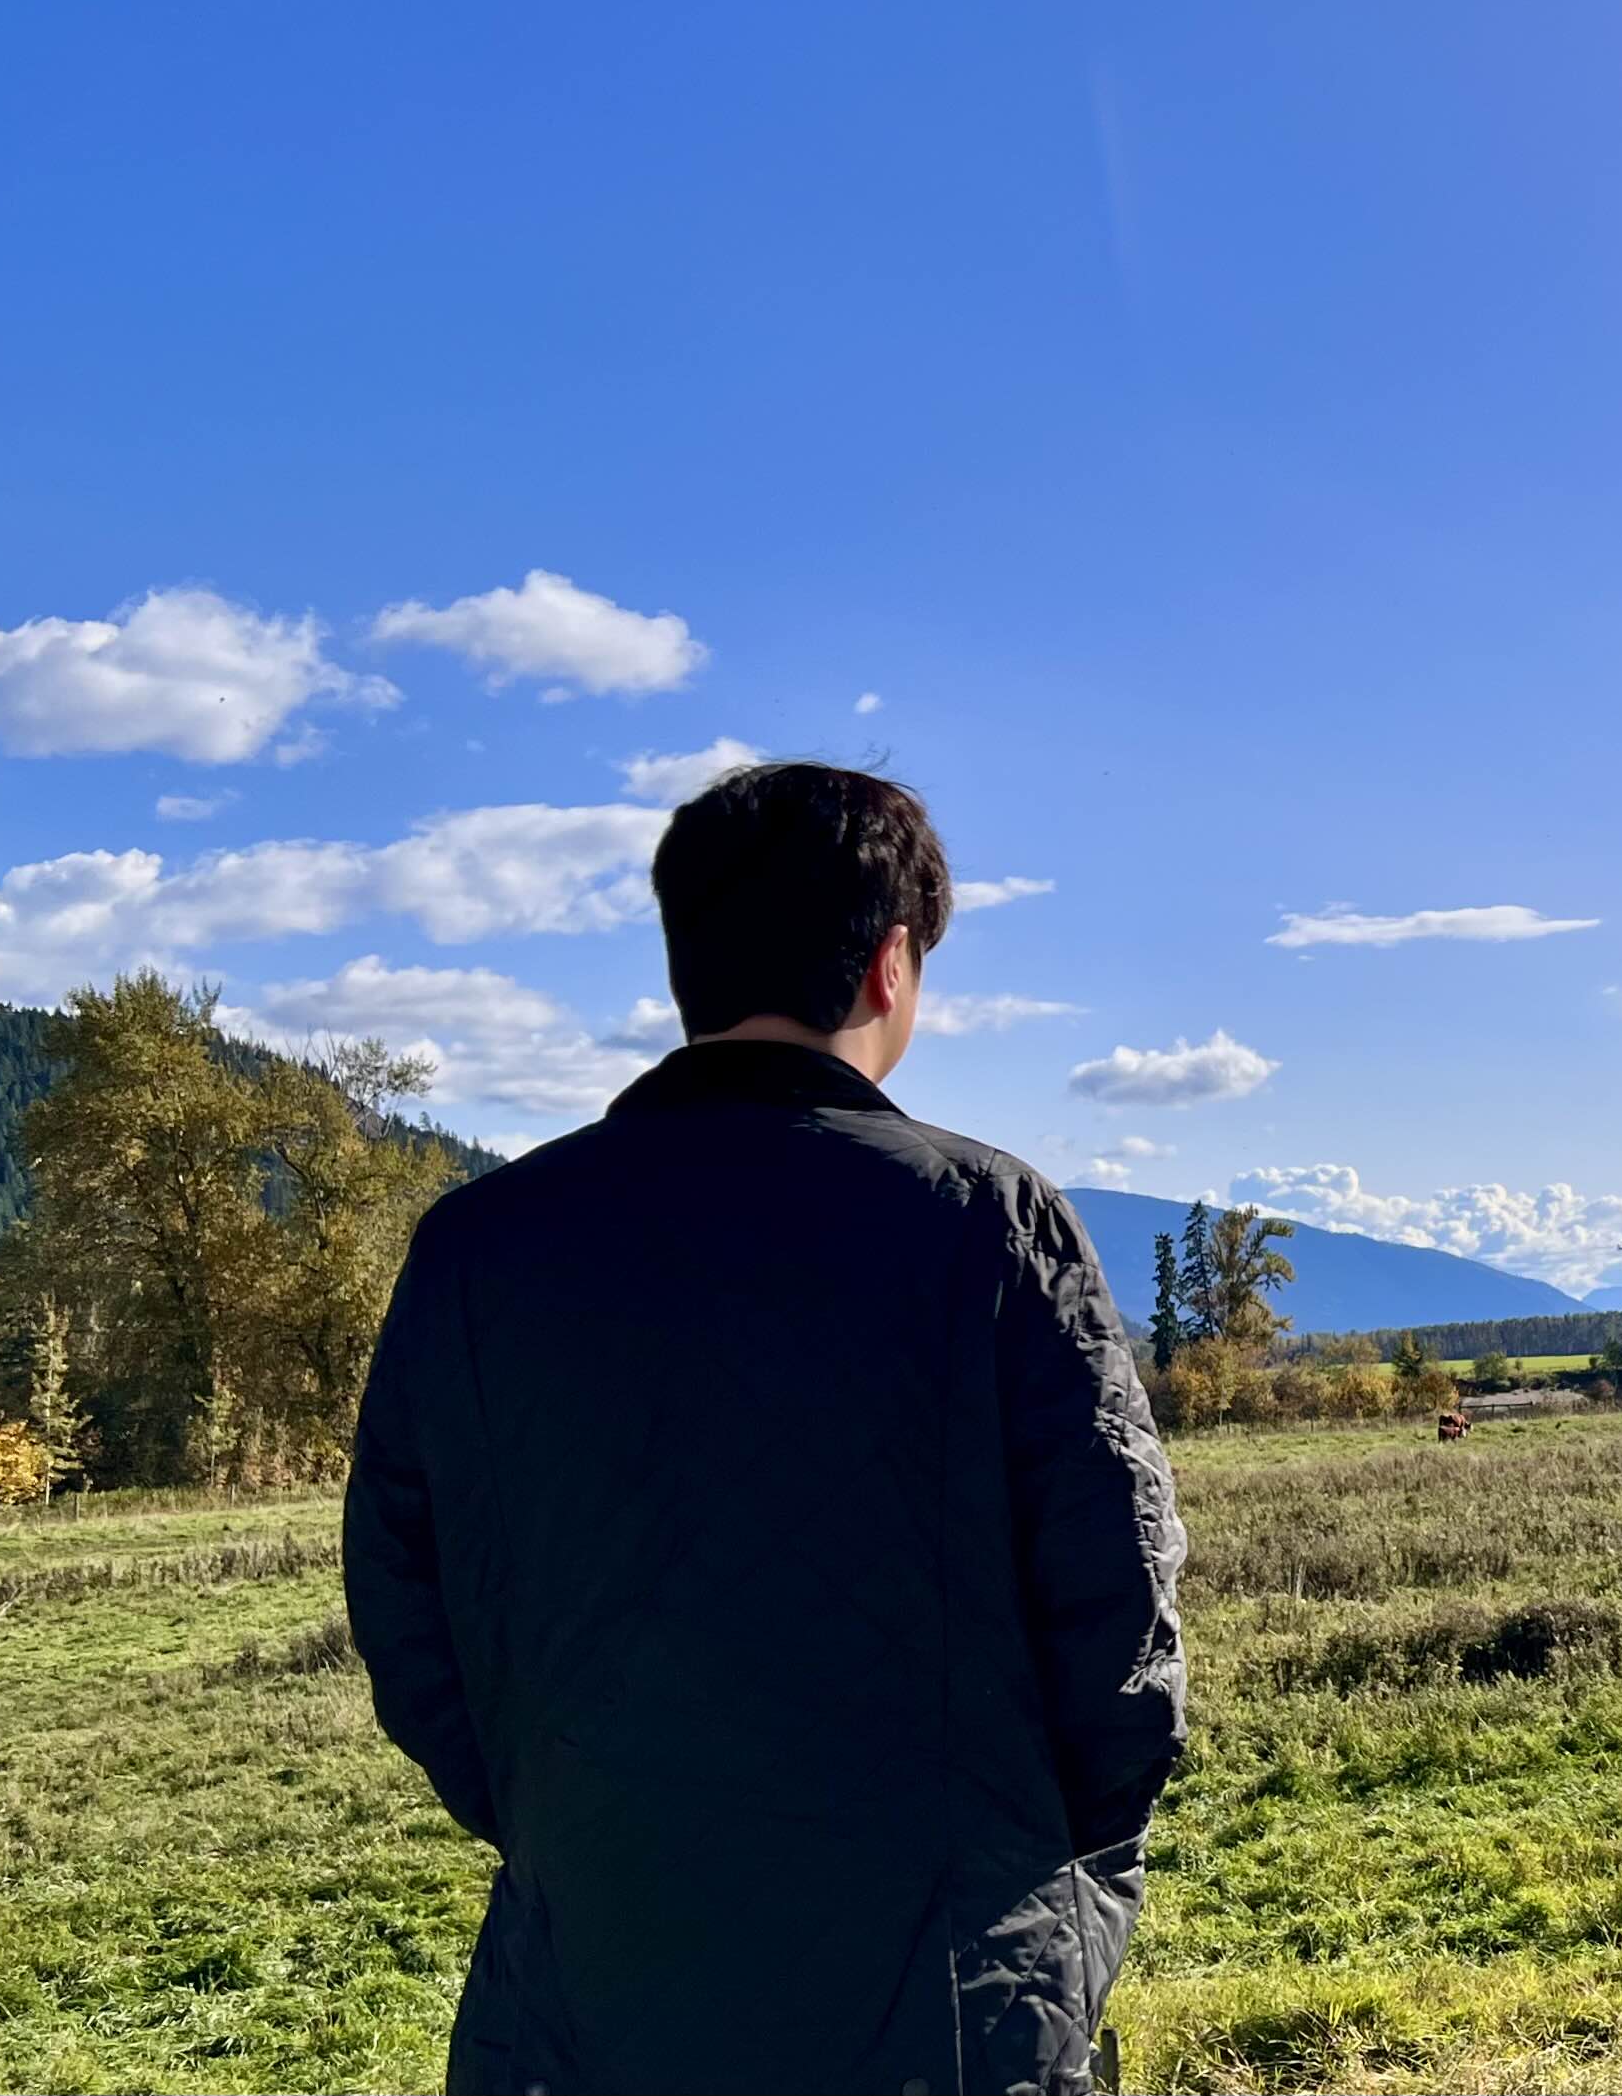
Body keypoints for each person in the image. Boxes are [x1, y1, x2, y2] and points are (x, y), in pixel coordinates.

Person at [344, 761, 1185, 2096]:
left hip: (581, 2010)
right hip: (950, 2008)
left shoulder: (474, 1251)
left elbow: (406, 1613)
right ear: (890, 965)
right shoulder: (989, 1226)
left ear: (688, 966)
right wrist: (1023, 1900)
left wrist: (570, 1826)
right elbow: (1120, 1647)